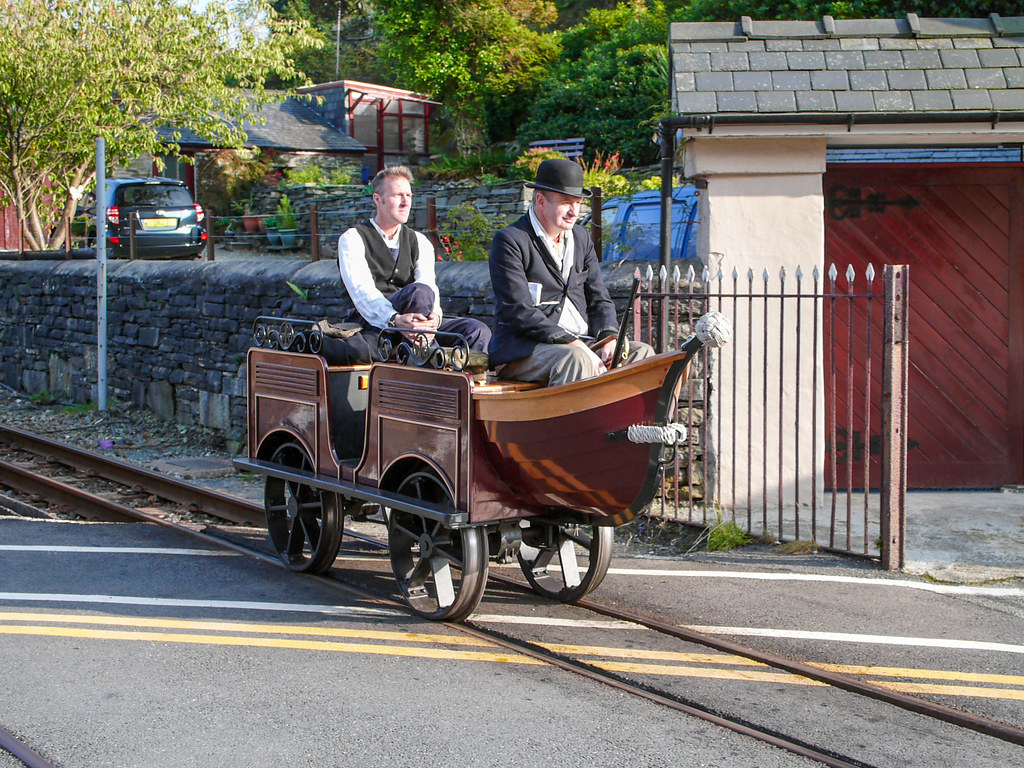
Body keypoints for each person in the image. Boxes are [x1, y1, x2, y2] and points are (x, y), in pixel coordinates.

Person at [488, 158, 654, 386]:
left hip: (580, 343)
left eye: (577, 203)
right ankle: (573, 422)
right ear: (541, 200)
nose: (574, 212)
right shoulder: (511, 241)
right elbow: (519, 311)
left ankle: (631, 422)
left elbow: (599, 298)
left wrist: (609, 337)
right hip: (524, 349)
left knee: (642, 354)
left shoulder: (581, 237)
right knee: (576, 360)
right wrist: (571, 343)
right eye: (566, 203)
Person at [322, 165, 491, 365]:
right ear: (378, 199)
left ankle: (468, 384)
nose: (405, 203)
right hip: (371, 324)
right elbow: (362, 292)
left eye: (409, 196)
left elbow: (430, 286)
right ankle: (432, 364)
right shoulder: (353, 238)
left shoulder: (419, 241)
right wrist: (394, 319)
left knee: (476, 330)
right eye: (397, 196)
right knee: (417, 292)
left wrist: (435, 318)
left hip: (415, 320)